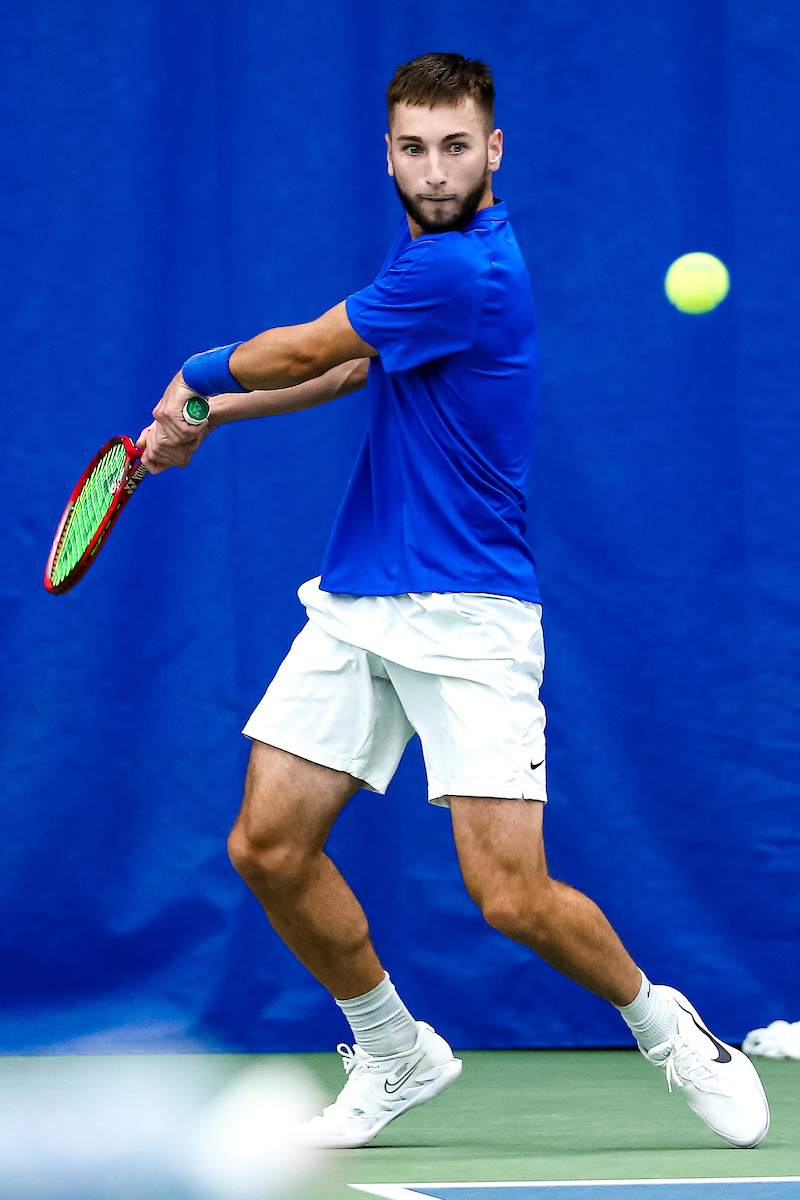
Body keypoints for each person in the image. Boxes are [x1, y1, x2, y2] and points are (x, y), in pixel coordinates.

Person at [139, 53, 769, 1151]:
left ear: (493, 150)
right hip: (356, 602)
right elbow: (350, 374)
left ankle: (666, 1027)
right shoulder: (420, 248)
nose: (435, 169)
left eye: (454, 146)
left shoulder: (466, 269)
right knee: (268, 848)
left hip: (470, 613)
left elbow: (310, 344)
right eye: (415, 148)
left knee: (509, 895)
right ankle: (393, 1051)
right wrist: (214, 420)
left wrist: (191, 379)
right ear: (387, 153)